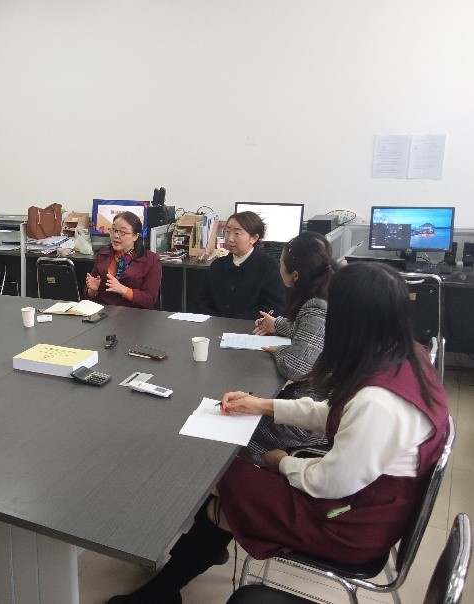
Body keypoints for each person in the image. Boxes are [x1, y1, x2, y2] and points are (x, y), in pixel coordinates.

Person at [109, 261, 449, 604]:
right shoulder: (404, 357)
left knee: (222, 475)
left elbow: (328, 483)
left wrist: (280, 462)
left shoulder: (378, 403)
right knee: (228, 481)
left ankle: (165, 587)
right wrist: (262, 405)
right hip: (362, 503)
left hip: (348, 525)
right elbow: (338, 414)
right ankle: (187, 565)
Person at [244, 231, 336, 462]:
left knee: (241, 422)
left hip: (314, 417)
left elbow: (296, 367)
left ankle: (267, 465)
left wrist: (279, 350)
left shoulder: (317, 306)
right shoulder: (326, 293)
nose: (279, 267)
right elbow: (305, 330)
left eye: (281, 263)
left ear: (295, 275)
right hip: (322, 404)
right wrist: (276, 324)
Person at [195, 211, 286, 319]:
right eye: (227, 231)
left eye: (237, 233)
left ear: (254, 238)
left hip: (251, 327)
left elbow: (273, 308)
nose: (230, 238)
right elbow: (202, 302)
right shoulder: (217, 265)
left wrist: (237, 322)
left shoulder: (268, 266)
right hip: (215, 325)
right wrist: (216, 321)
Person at [85, 212, 162, 310]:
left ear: (135, 236)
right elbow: (90, 294)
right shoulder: (103, 254)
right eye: (114, 230)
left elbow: (150, 300)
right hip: (104, 312)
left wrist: (123, 290)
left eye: (122, 232)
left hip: (134, 314)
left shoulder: (151, 260)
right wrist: (92, 290)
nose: (116, 235)